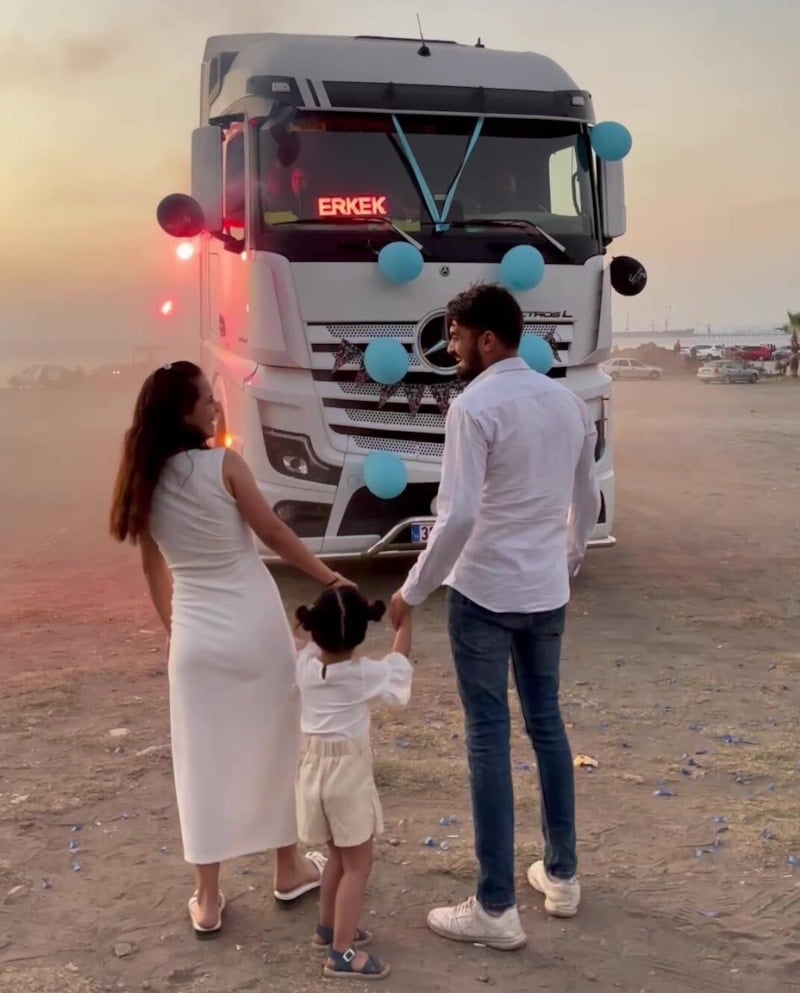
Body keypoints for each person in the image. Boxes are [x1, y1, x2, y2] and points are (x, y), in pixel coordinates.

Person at [109, 360, 355, 938]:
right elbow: (273, 534)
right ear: (183, 413)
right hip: (254, 626)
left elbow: (153, 571)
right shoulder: (225, 465)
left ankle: (208, 896)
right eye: (206, 400)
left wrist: (177, 633)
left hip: (196, 637)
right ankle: (288, 868)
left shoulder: (145, 478)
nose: (216, 406)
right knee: (277, 746)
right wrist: (330, 578)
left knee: (201, 763)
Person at [388, 283, 600, 950]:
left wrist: (412, 590)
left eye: (454, 338)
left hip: (483, 592)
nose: (450, 350)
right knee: (546, 725)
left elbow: (459, 516)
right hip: (545, 590)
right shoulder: (567, 403)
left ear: (486, 338)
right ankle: (561, 875)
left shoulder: (473, 407)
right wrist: (566, 562)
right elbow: (587, 499)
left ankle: (496, 906)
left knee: (488, 737)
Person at [293, 588, 413, 980]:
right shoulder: (362, 674)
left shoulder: (305, 666)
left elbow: (299, 639)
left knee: (338, 858)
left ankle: (327, 928)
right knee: (358, 866)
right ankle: (342, 953)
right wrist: (405, 622)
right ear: (361, 633)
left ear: (314, 629)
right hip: (346, 777)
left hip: (312, 772)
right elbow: (399, 667)